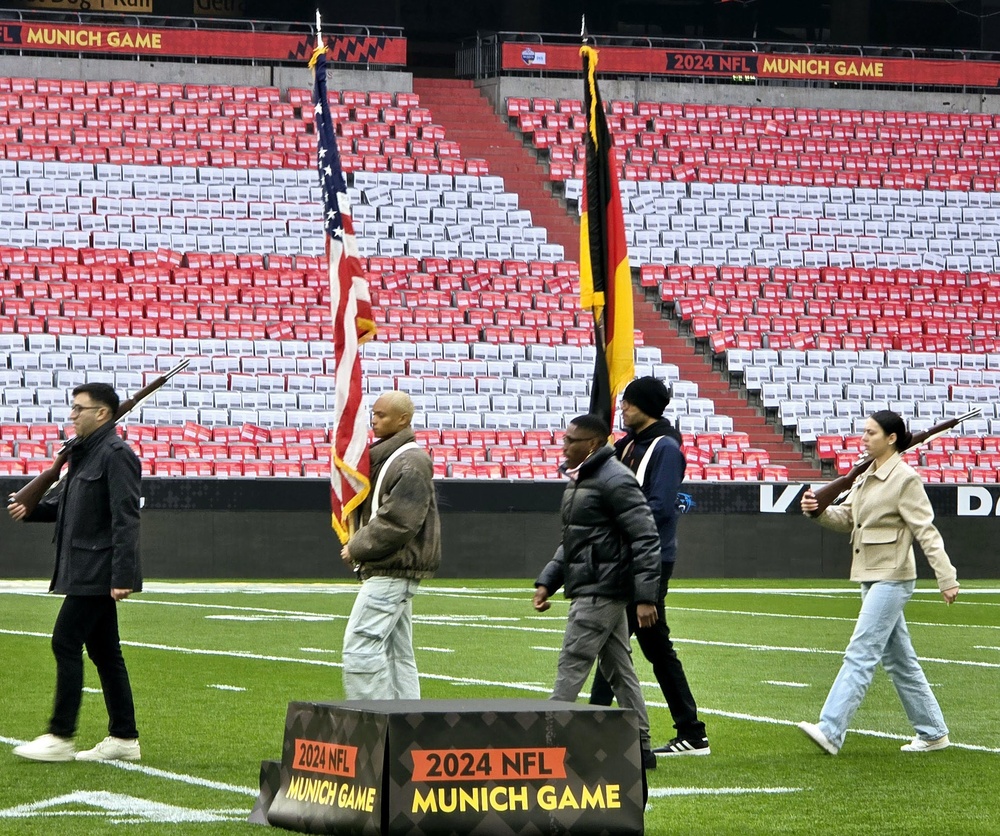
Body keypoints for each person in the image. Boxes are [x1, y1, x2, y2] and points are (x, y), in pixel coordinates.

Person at [798, 410, 960, 755]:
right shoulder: (864, 476)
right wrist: (818, 511)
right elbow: (848, 519)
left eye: (871, 433)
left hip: (893, 576)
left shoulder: (904, 479)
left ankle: (830, 729)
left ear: (891, 438)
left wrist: (947, 578)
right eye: (864, 432)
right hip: (870, 574)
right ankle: (933, 732)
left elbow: (926, 532)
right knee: (900, 661)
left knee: (861, 652)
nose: (863, 438)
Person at [7, 382, 143, 763]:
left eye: (79, 408)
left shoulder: (116, 454)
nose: (72, 415)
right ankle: (124, 738)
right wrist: (32, 508)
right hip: (82, 566)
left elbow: (126, 519)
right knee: (105, 652)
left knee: (65, 642)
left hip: (98, 570)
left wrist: (122, 576)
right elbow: (69, 506)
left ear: (102, 413)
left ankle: (60, 735)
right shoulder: (84, 454)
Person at [589, 377, 710, 756]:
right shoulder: (627, 444)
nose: (622, 408)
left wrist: (613, 523)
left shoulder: (665, 448)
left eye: (628, 403)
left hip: (648, 558)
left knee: (615, 637)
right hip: (629, 554)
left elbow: (658, 506)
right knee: (645, 644)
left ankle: (594, 723)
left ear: (647, 407)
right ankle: (691, 731)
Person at [533, 413, 662, 770]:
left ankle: (545, 745)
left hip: (601, 590)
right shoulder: (584, 478)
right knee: (620, 670)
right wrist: (549, 580)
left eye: (570, 440)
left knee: (572, 663)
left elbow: (646, 536)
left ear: (591, 444)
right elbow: (574, 539)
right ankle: (641, 746)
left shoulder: (615, 480)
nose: (564, 445)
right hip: (594, 584)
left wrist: (646, 596)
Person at [340, 391, 441, 700]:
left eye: (382, 415)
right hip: (392, 567)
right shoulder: (393, 457)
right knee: (398, 653)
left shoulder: (410, 461)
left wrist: (356, 546)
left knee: (361, 645)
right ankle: (407, 722)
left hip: (393, 568)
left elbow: (399, 521)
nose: (374, 419)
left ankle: (373, 722)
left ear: (403, 419)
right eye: (374, 413)